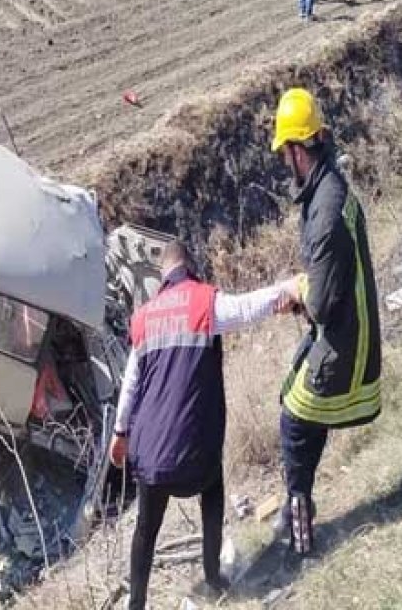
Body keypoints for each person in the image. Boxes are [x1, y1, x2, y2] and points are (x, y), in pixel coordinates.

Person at [108, 243, 299, 610]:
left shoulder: (144, 318)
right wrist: (285, 291)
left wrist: (120, 435)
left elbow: (130, 384)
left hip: (149, 454)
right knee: (212, 492)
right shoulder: (203, 300)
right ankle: (213, 576)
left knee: (145, 530)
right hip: (195, 455)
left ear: (161, 277)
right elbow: (245, 308)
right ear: (190, 268)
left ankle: (136, 603)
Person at [270, 87, 383, 559]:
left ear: (297, 150)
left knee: (294, 425)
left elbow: (322, 304)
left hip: (347, 348)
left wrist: (298, 293)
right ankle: (295, 509)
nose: (284, 162)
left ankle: (300, 543)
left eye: (284, 153)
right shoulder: (330, 188)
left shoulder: (325, 215)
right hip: (348, 333)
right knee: (296, 402)